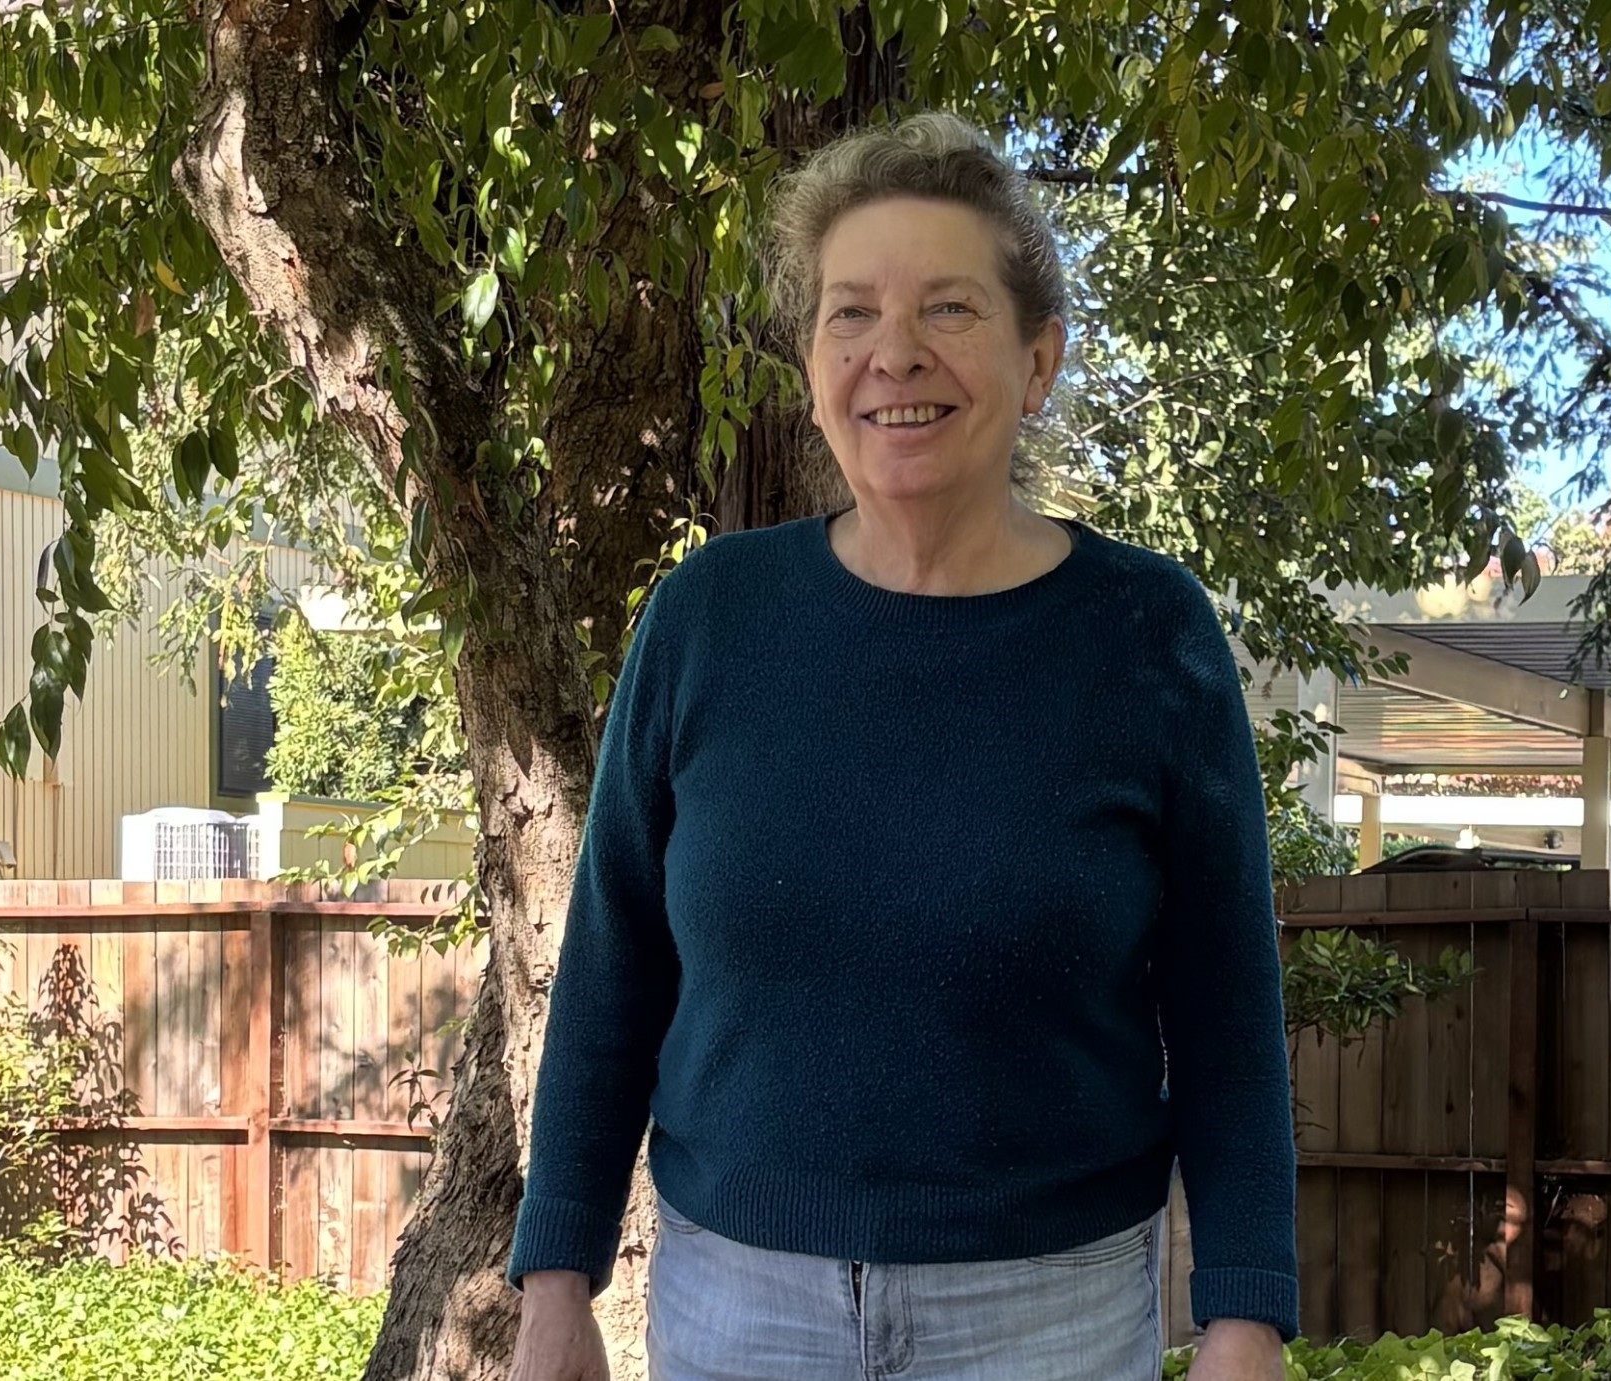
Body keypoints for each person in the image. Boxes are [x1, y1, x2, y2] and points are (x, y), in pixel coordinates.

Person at [505, 111, 1297, 1381]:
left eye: (951, 309)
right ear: (812, 363)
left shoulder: (1150, 637)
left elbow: (1225, 1011)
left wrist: (1244, 1316)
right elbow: (611, 969)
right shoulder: (708, 618)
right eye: (850, 314)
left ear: (1039, 361)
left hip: (1049, 1316)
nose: (896, 353)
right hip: (734, 1312)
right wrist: (558, 1277)